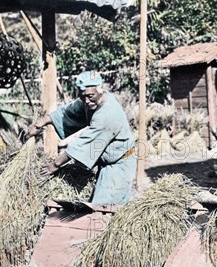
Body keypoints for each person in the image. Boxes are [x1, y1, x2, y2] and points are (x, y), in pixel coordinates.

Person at [27, 70, 136, 205]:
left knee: (103, 209)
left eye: (90, 96)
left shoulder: (107, 115)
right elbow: (68, 112)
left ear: (100, 89)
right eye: (82, 96)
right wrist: (41, 122)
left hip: (119, 166)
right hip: (106, 163)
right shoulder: (90, 100)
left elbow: (83, 145)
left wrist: (54, 166)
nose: (86, 101)